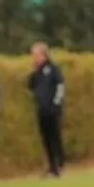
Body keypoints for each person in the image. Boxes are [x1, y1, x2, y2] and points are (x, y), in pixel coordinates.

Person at [28, 41, 66, 177]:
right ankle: (51, 166)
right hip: (42, 109)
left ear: (43, 55)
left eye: (36, 55)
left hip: (53, 109)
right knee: (46, 138)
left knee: (55, 137)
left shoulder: (53, 69)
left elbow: (60, 86)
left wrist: (56, 103)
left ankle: (59, 165)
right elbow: (31, 86)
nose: (34, 57)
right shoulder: (37, 72)